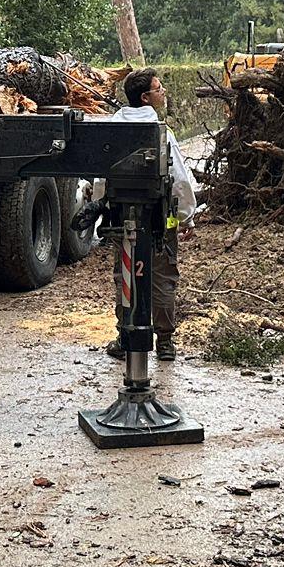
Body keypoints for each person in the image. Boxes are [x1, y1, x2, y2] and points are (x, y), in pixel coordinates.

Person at [103, 68, 195, 361]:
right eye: (159, 88)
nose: (163, 91)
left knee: (125, 275)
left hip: (122, 218)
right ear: (145, 98)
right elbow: (179, 181)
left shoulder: (113, 132)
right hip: (160, 219)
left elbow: (98, 178)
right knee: (164, 275)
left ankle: (125, 335)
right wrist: (185, 217)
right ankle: (165, 342)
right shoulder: (162, 134)